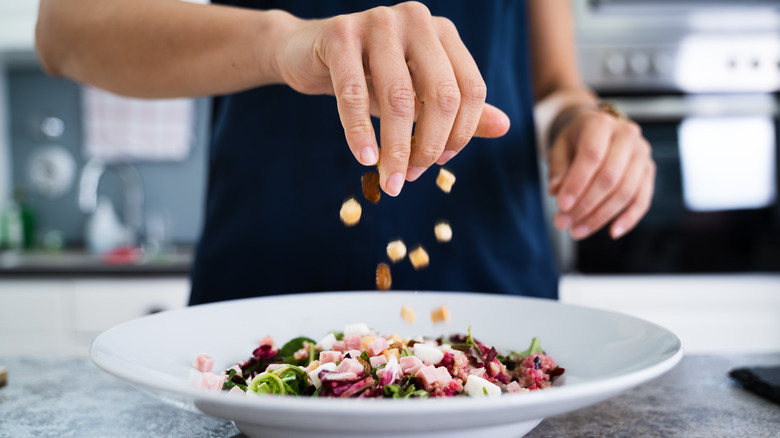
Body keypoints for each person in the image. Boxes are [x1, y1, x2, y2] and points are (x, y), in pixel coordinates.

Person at [35, 0, 655, 304]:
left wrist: (585, 121)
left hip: (497, 291)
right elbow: (66, 29)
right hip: (262, 295)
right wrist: (283, 42)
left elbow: (555, 86)